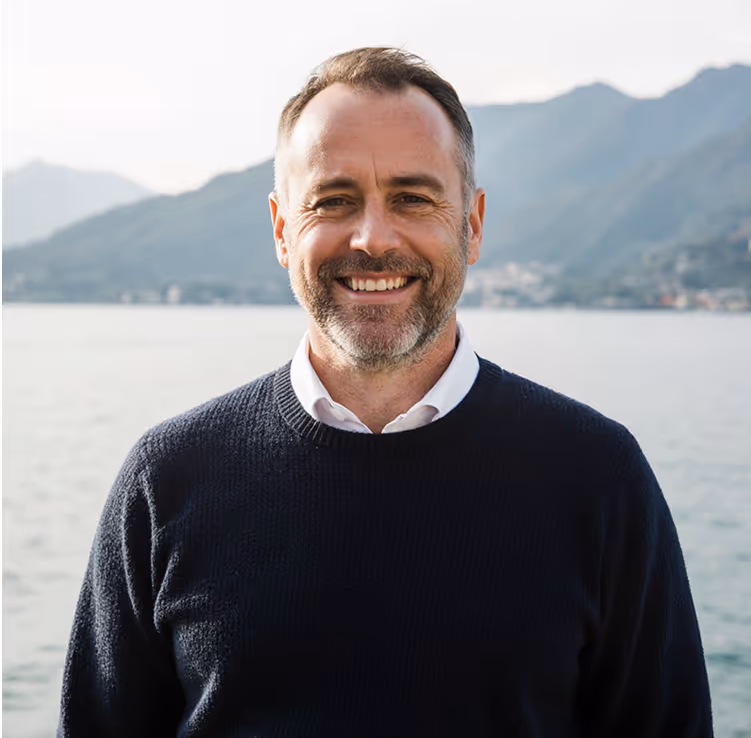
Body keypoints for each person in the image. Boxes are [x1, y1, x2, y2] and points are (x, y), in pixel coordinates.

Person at [58, 47, 713, 737]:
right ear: (283, 229)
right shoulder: (166, 479)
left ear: (472, 224)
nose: (373, 238)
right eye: (334, 201)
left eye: (412, 197)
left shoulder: (598, 477)